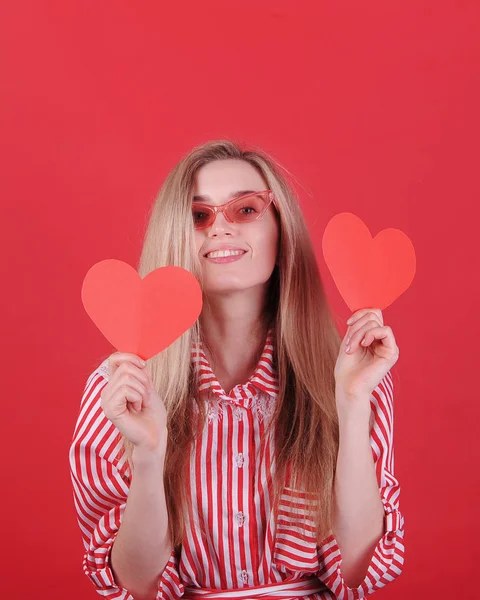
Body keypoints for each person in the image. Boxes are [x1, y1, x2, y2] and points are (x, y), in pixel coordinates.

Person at [69, 139, 404, 600]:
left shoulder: (352, 373)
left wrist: (350, 404)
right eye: (199, 215)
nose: (221, 229)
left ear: (280, 229)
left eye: (245, 210)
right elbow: (135, 588)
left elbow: (357, 570)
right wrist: (147, 456)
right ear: (175, 234)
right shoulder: (121, 390)